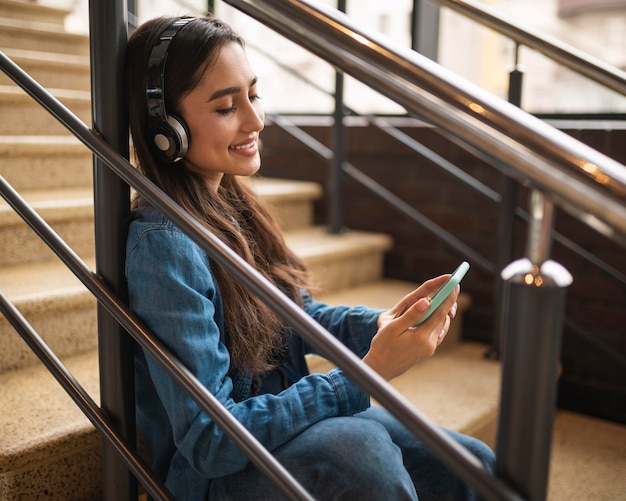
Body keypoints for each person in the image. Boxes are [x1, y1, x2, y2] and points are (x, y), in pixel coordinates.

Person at [125, 14, 495, 501]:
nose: (256, 121)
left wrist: (381, 323)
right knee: (362, 453)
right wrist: (367, 373)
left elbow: (295, 314)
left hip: (278, 421)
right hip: (216, 474)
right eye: (225, 107)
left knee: (474, 464)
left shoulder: (233, 205)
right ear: (165, 129)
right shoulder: (163, 246)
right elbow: (210, 441)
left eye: (252, 96)